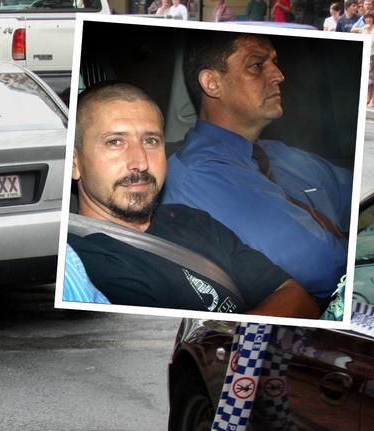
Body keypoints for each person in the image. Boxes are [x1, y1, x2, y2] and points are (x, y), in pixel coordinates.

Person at [70, 82, 318, 317]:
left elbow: (298, 298)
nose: (141, 161)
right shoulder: (86, 266)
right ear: (74, 163)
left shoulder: (190, 219)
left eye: (151, 140)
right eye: (115, 142)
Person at [161, 33, 351, 304]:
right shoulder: (200, 176)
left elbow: (358, 200)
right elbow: (325, 270)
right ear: (212, 83)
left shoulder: (279, 153)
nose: (279, 75)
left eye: (274, 62)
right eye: (257, 65)